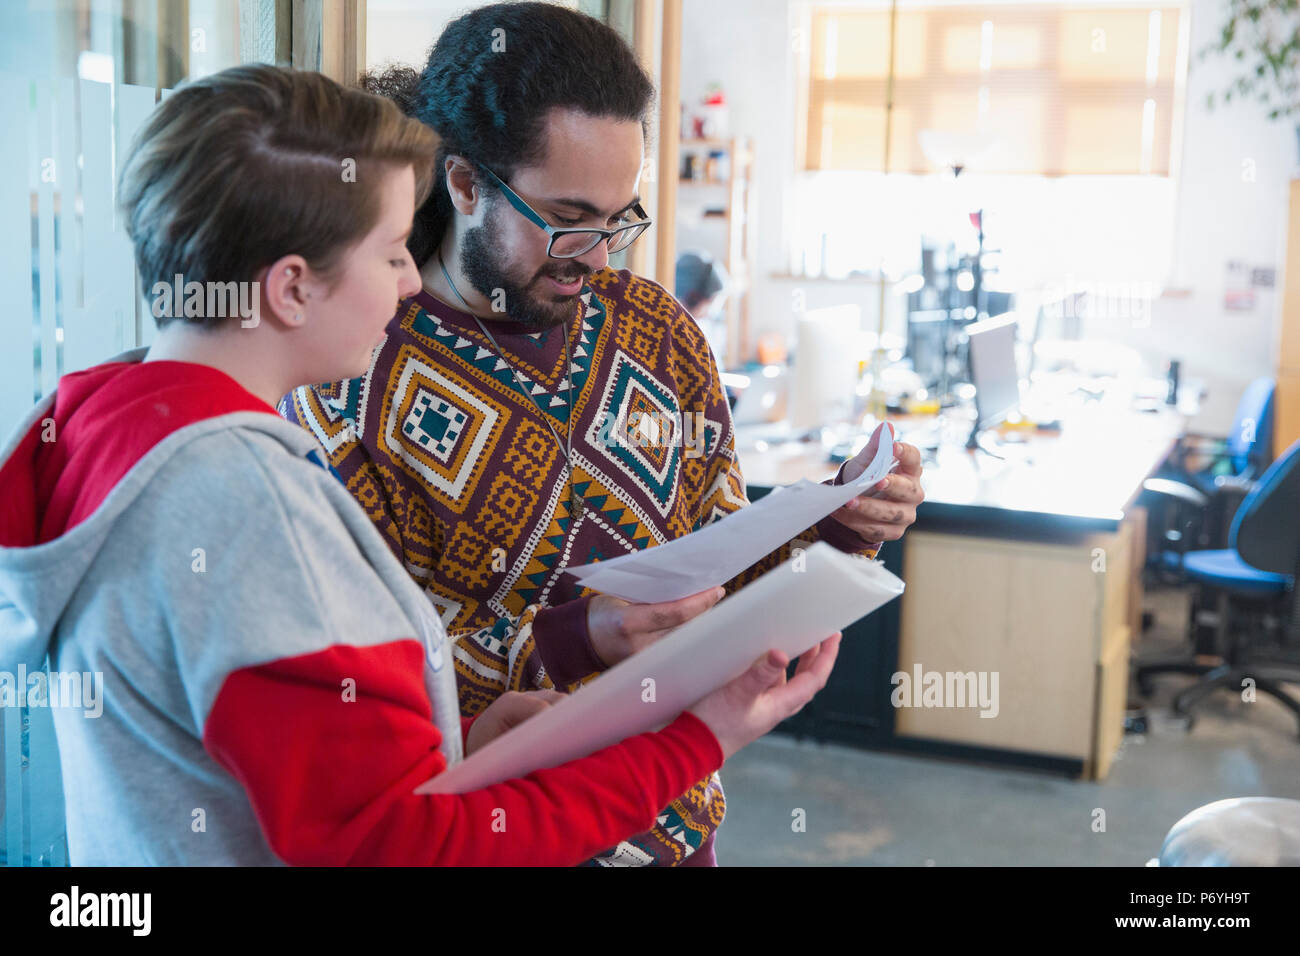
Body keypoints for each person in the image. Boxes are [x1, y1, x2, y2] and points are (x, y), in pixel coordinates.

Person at [0, 64, 841, 866]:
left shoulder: (112, 427)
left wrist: (460, 741)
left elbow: (304, 777)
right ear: (292, 289)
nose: (409, 282)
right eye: (393, 250)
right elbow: (401, 847)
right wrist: (701, 737)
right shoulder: (251, 505)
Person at [284, 1, 924, 867]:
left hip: (675, 813)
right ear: (465, 184)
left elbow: (725, 573)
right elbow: (375, 685)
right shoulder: (351, 376)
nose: (600, 257)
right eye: (569, 216)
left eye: (622, 218)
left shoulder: (656, 330)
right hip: (497, 837)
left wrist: (839, 527)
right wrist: (578, 636)